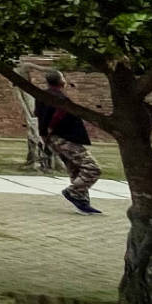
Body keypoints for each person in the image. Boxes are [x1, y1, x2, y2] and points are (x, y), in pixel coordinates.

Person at [35, 70, 102, 214]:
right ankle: (73, 192)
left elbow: (39, 116)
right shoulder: (60, 99)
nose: (65, 80)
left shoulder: (42, 97)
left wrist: (45, 136)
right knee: (92, 168)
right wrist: (51, 129)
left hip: (53, 138)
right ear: (60, 81)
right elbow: (58, 115)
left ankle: (82, 203)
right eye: (63, 77)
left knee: (76, 170)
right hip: (64, 138)